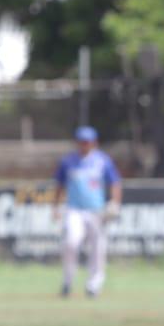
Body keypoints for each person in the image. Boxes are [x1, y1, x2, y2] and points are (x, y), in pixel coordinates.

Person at [52, 125, 122, 298]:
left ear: (94, 143)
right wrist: (55, 206)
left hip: (96, 210)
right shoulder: (68, 161)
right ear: (77, 143)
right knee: (71, 243)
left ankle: (94, 285)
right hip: (74, 209)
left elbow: (115, 182)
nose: (84, 145)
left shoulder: (102, 160)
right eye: (81, 142)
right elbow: (59, 185)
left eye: (87, 142)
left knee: (97, 248)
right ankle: (67, 282)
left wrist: (114, 202)